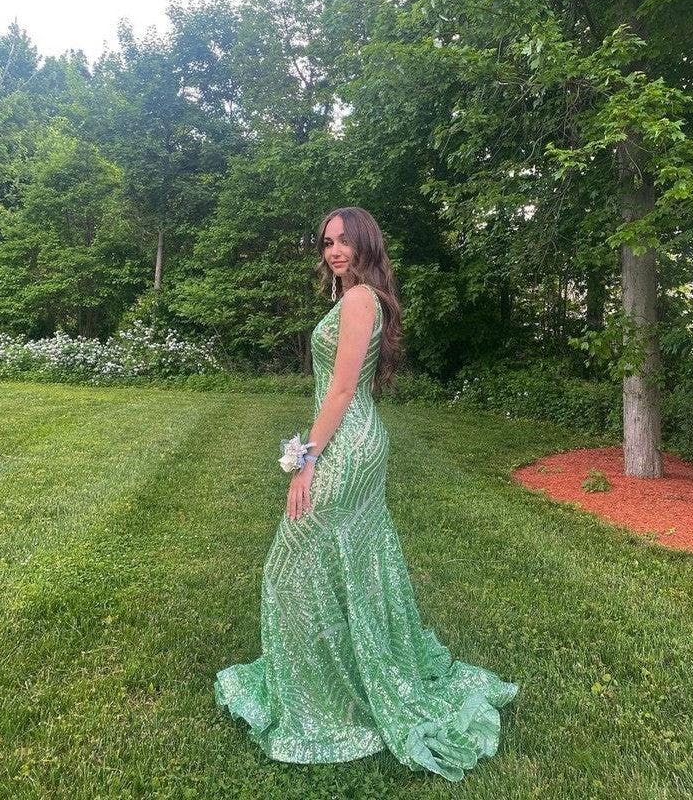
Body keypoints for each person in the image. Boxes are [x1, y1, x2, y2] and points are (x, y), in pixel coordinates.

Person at [214, 206, 519, 782]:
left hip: (347, 447)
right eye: (327, 242)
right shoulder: (358, 297)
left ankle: (325, 700)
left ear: (365, 245)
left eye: (344, 241)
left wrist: (306, 460)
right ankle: (337, 680)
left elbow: (341, 388)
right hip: (353, 439)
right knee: (345, 563)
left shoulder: (358, 300)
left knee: (289, 567)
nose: (334, 250)